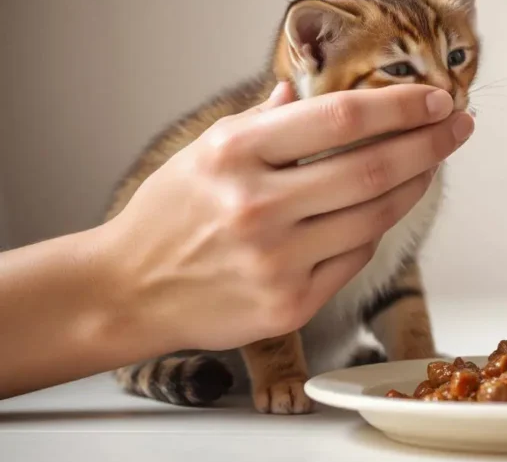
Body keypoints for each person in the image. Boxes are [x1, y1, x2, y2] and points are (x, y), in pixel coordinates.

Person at [0, 81, 474, 399]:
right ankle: (147, 367)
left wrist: (421, 368)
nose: (440, 85)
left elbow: (394, 275)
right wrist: (122, 279)